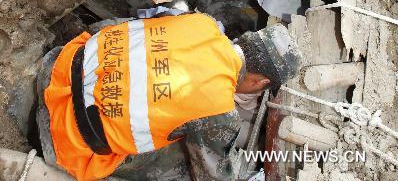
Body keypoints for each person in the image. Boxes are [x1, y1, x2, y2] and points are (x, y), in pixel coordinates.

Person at [36, 12, 302, 180]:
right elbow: (211, 176)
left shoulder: (202, 23)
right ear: (260, 81)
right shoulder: (219, 110)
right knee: (180, 165)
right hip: (64, 136)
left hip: (57, 71)